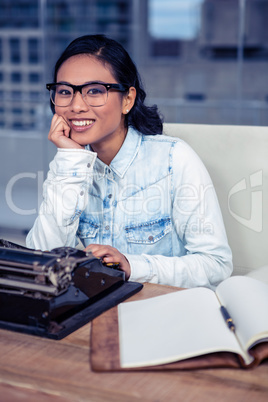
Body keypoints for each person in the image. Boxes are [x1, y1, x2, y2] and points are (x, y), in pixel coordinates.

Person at [26, 34, 232, 289]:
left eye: (94, 91)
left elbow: (216, 265)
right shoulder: (70, 167)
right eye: (65, 92)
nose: (76, 106)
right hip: (95, 313)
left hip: (165, 310)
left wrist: (133, 266)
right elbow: (40, 263)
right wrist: (70, 161)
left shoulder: (173, 159)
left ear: (127, 99)